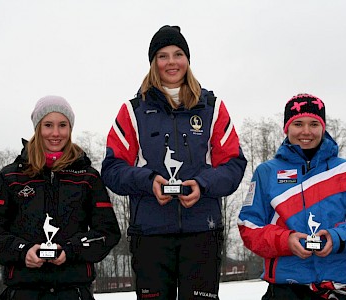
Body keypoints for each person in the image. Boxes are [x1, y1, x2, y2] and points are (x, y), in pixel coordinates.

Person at [101, 25, 247, 300]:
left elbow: (233, 164)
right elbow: (112, 169)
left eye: (178, 54)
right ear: (153, 62)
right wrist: (148, 181)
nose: (171, 62)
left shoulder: (212, 108)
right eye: (163, 55)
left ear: (187, 60)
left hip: (202, 231)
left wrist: (203, 184)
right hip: (150, 234)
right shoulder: (133, 110)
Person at [0, 95, 121, 299]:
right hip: (22, 292)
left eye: (62, 125)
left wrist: (71, 250)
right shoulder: (11, 176)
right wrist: (22, 251)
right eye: (48, 125)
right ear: (37, 128)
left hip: (74, 292)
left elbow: (108, 232)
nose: (55, 133)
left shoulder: (88, 177)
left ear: (70, 129)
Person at [238, 93, 346, 300]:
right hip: (285, 289)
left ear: (323, 127)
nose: (306, 132)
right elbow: (248, 227)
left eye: (314, 124)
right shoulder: (266, 172)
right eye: (298, 124)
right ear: (286, 128)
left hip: (337, 287)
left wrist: (336, 238)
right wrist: (286, 240)